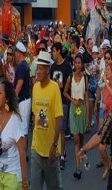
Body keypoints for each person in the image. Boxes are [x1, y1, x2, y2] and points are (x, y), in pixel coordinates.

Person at [0, 81, 28, 189]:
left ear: (7, 99)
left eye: (0, 93)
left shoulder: (15, 120)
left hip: (12, 176)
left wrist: (25, 181)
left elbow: (22, 151)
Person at [30, 51, 63, 189]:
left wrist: (54, 146)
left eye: (41, 68)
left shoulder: (54, 88)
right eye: (38, 67)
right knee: (35, 187)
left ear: (48, 70)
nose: (38, 71)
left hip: (50, 150)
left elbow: (59, 118)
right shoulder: (35, 88)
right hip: (36, 148)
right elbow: (34, 113)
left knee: (53, 187)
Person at [64, 54, 89, 179]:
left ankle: (83, 156)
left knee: (82, 138)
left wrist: (89, 117)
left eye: (79, 62)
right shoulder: (70, 77)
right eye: (76, 62)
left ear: (82, 64)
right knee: (76, 139)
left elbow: (86, 96)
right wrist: (72, 100)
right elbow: (65, 92)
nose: (77, 65)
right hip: (74, 109)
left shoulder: (85, 78)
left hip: (82, 109)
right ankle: (78, 168)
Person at [50, 42, 73, 170]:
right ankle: (57, 151)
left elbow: (69, 85)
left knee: (62, 129)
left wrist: (63, 86)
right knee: (55, 129)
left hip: (63, 101)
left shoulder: (67, 67)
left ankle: (63, 154)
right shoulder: (52, 67)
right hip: (53, 101)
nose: (52, 53)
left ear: (58, 51)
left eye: (54, 51)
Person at [14, 42, 31, 152]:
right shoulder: (25, 64)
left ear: (19, 53)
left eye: (15, 51)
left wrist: (13, 98)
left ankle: (23, 154)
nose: (15, 54)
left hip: (23, 101)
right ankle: (24, 154)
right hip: (26, 99)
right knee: (24, 128)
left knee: (23, 129)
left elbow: (19, 84)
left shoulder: (21, 66)